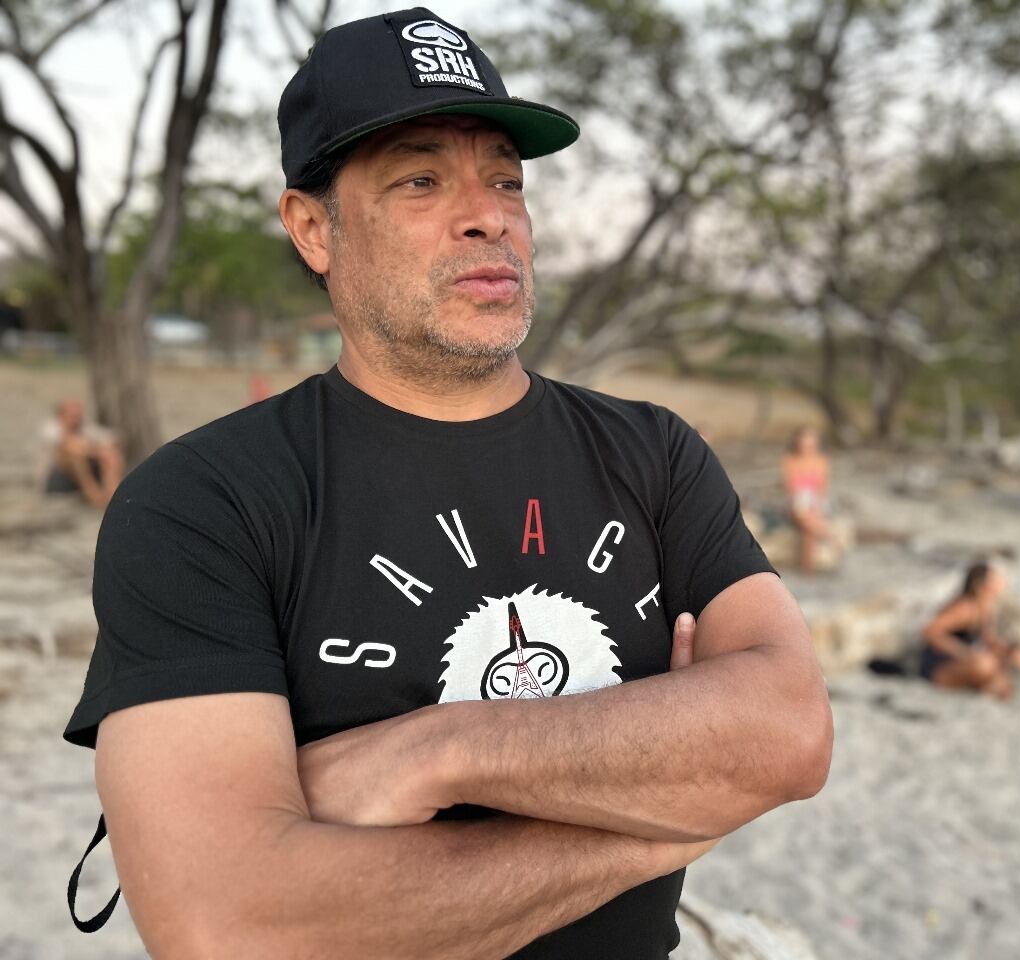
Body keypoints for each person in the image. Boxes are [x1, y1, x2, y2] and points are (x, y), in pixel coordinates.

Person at [64, 9, 833, 960]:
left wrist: (438, 749)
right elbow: (227, 925)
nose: (490, 214)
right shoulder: (202, 503)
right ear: (312, 228)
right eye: (421, 180)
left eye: (506, 180)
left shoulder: (653, 454)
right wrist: (667, 809)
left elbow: (792, 732)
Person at [919, 562, 1020, 700]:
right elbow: (929, 631)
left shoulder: (986, 607)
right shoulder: (966, 607)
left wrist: (1010, 651)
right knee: (984, 665)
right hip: (939, 666)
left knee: (1014, 657)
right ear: (980, 585)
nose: (1001, 582)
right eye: (995, 579)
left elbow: (989, 641)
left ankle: (993, 686)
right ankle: (989, 685)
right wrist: (963, 652)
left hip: (966, 662)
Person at [39, 399, 123, 508]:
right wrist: (92, 449)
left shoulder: (86, 429)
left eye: (78, 416)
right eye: (72, 415)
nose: (75, 419)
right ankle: (95, 497)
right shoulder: (51, 429)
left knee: (110, 454)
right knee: (75, 454)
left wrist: (96, 450)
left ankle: (113, 494)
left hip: (84, 469)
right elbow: (66, 444)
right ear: (61, 415)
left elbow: (112, 439)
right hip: (58, 476)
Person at [781, 426, 832, 575]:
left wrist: (816, 505)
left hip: (815, 502)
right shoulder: (790, 459)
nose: (807, 444)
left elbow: (823, 488)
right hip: (797, 500)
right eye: (804, 440)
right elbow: (790, 488)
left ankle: (807, 570)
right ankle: (830, 538)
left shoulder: (822, 461)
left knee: (808, 531)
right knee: (804, 514)